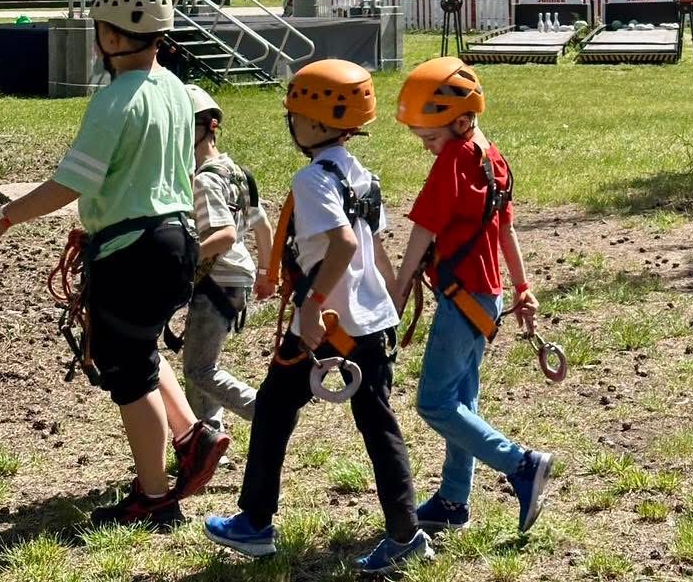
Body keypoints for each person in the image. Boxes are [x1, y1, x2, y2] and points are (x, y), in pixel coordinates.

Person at [0, 0, 229, 530]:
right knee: (138, 349)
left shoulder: (115, 100)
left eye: (100, 29)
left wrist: (5, 216)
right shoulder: (174, 90)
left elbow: (71, 184)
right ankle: (191, 439)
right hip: (177, 241)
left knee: (127, 376)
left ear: (112, 37)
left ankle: (155, 496)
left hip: (131, 249)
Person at [204, 59, 433, 574]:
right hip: (368, 323)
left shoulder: (311, 180)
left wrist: (311, 306)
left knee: (275, 411)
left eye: (294, 115)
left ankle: (256, 523)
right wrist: (392, 298)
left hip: (329, 325)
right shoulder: (363, 176)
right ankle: (403, 532)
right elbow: (374, 246)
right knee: (372, 425)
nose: (291, 123)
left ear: (312, 122)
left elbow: (345, 243)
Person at [393, 56, 554, 536]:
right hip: (487, 299)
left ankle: (520, 464)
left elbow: (423, 232)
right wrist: (523, 288)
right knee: (461, 400)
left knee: (435, 404)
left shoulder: (455, 159)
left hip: (463, 299)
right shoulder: (492, 156)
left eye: (431, 137)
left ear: (461, 120)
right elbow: (506, 232)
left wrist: (397, 294)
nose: (428, 148)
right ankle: (453, 501)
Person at [180, 84, 275, 431]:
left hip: (216, 281)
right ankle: (209, 437)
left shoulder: (205, 181)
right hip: (236, 278)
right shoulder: (234, 172)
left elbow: (224, 235)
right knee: (199, 365)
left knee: (199, 370)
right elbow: (262, 225)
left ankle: (265, 412)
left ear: (205, 129)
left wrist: (184, 259)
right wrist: (267, 273)